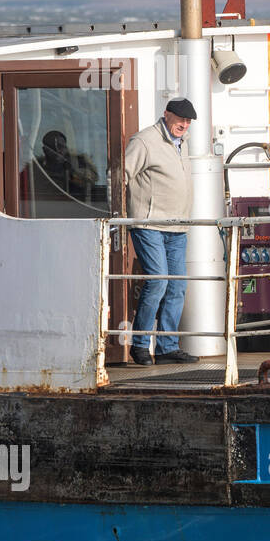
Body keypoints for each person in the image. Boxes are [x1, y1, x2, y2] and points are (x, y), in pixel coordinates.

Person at [122, 98, 198, 365]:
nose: (184, 125)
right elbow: (120, 175)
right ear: (166, 114)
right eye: (180, 119)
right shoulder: (144, 141)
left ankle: (167, 347)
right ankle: (140, 344)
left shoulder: (182, 142)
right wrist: (117, 216)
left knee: (177, 286)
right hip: (149, 224)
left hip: (177, 226)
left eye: (188, 122)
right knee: (158, 281)